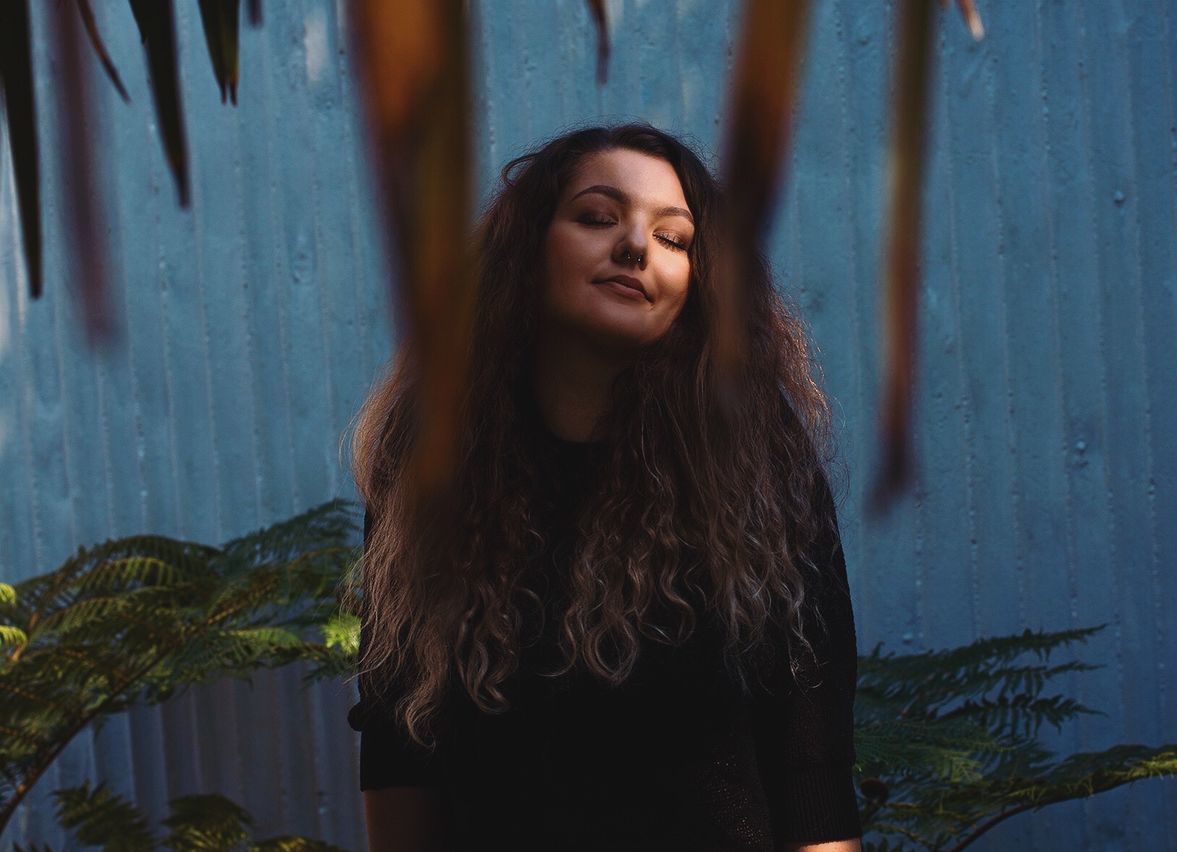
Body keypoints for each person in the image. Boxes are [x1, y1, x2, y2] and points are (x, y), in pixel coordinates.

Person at [341, 121, 864, 852]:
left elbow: (810, 751)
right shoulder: (432, 459)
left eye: (675, 239)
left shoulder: (756, 460)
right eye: (597, 217)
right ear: (527, 250)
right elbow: (399, 733)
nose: (635, 247)